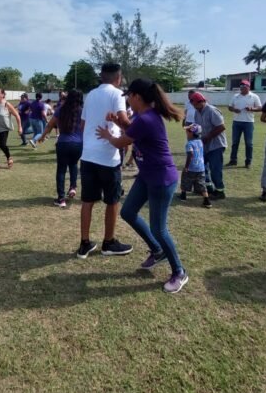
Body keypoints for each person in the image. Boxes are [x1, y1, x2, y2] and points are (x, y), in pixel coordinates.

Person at [96, 78, 189, 293]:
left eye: (129, 96)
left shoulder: (146, 119)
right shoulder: (141, 117)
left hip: (161, 179)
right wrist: (118, 123)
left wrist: (108, 134)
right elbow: (131, 129)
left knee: (159, 228)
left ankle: (179, 272)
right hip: (147, 176)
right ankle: (157, 251)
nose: (128, 100)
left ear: (137, 97)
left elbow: (122, 142)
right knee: (128, 212)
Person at [76, 62, 133, 259]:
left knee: (87, 201)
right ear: (118, 78)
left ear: (102, 77)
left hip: (88, 155)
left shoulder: (90, 95)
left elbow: (82, 126)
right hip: (108, 156)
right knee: (112, 200)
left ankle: (84, 244)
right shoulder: (117, 94)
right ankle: (108, 242)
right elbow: (124, 121)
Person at [38, 89, 83, 208]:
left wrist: (43, 136)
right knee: (74, 165)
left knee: (61, 170)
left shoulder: (60, 110)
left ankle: (61, 198)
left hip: (63, 143)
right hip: (78, 144)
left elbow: (50, 124)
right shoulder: (82, 111)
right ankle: (73, 187)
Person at [191, 92, 227, 200]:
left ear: (202, 101)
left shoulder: (212, 110)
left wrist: (207, 137)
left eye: (197, 104)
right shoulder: (197, 112)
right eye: (194, 104)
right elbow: (198, 126)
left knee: (215, 169)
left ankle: (220, 191)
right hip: (204, 145)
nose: (195, 106)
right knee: (202, 168)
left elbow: (221, 127)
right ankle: (207, 187)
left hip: (216, 145)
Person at [226, 80, 262, 168]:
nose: (243, 89)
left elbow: (260, 107)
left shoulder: (254, 96)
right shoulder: (235, 96)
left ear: (249, 87)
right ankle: (233, 160)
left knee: (249, 143)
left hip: (248, 122)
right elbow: (230, 107)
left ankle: (248, 162)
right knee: (235, 142)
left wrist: (252, 109)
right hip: (237, 122)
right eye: (241, 87)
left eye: (245, 87)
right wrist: (234, 109)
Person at [179, 123, 211, 208]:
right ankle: (207, 200)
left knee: (185, 179)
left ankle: (183, 195)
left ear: (191, 133)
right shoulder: (200, 142)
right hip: (201, 167)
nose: (186, 133)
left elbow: (190, 155)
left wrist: (186, 167)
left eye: (187, 131)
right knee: (202, 183)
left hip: (191, 167)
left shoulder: (189, 144)